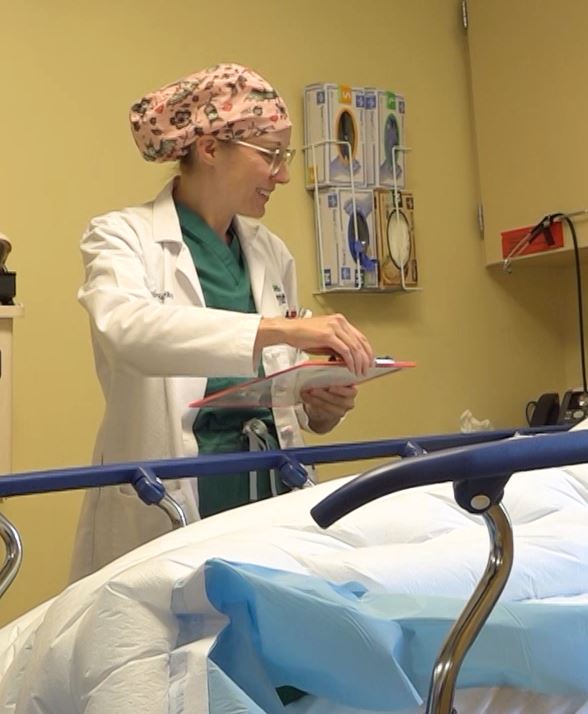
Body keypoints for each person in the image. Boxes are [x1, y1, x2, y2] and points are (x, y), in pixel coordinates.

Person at [72, 64, 374, 580]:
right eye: (270, 155)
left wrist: (321, 404)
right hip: (171, 503)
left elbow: (289, 405)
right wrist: (282, 330)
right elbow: (128, 332)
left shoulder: (269, 252)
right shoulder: (122, 236)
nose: (281, 174)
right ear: (210, 148)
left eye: (285, 157)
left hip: (270, 498)